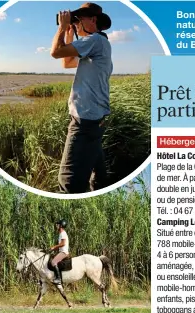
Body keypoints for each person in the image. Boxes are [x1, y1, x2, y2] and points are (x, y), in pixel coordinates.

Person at [50, 2, 113, 193]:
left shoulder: (94, 41)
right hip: (94, 119)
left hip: (84, 122)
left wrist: (62, 28)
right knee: (98, 172)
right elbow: (67, 63)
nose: (76, 24)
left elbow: (55, 53)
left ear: (93, 20)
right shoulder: (99, 44)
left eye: (79, 19)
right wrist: (69, 32)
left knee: (68, 182)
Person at [49, 219, 70, 284]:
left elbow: (63, 243)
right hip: (62, 251)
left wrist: (54, 247)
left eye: (57, 225)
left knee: (53, 262)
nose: (56, 226)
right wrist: (53, 249)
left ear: (61, 226)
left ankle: (58, 279)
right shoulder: (61, 233)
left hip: (64, 252)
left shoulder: (63, 233)